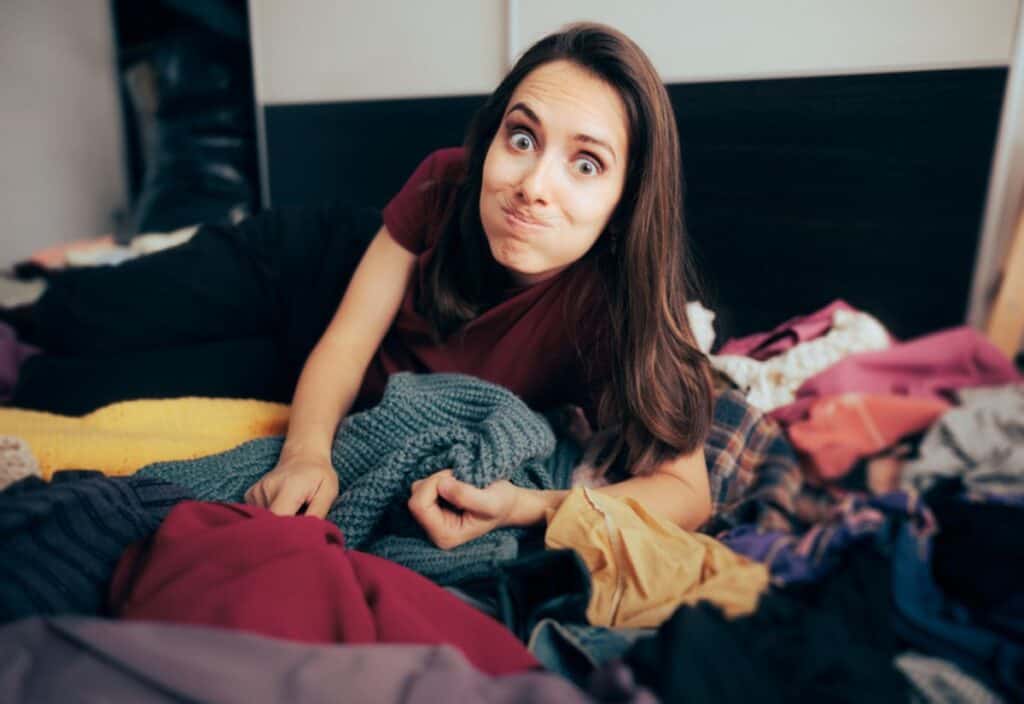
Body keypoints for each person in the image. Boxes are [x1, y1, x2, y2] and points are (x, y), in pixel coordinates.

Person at [6, 23, 715, 547]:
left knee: (57, 390)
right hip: (303, 273)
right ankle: (62, 282)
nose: (533, 187)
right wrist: (306, 454)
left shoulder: (624, 312)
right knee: (78, 313)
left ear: (629, 198)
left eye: (586, 164)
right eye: (522, 138)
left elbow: (688, 494)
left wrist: (529, 507)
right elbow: (345, 343)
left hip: (295, 371)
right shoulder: (447, 182)